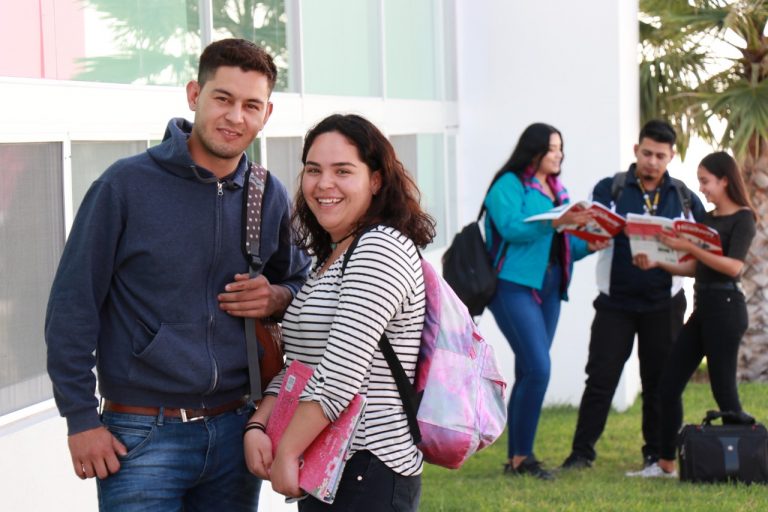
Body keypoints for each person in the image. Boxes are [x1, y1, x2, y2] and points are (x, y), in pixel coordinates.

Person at [44, 38, 310, 511]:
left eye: (251, 105)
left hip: (235, 429)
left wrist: (276, 296)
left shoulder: (266, 194)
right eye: (222, 99)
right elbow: (72, 306)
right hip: (142, 433)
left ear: (266, 115)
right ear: (194, 95)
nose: (235, 117)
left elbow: (302, 285)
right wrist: (81, 418)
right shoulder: (124, 186)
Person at [243, 114, 435, 510]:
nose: (323, 184)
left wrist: (286, 452)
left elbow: (339, 375)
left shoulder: (380, 248)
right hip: (327, 462)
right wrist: (259, 425)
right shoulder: (334, 256)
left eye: (342, 171)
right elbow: (302, 366)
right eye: (313, 170)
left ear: (376, 180)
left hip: (369, 468)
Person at [560, 119, 706, 473]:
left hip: (665, 303)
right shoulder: (610, 188)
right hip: (615, 303)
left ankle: (656, 453)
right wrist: (592, 237)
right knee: (601, 379)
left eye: (660, 155)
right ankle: (581, 454)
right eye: (646, 153)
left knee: (659, 381)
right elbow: (593, 234)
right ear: (635, 151)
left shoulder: (685, 196)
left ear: (671, 156)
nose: (652, 161)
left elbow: (705, 245)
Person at [483, 123, 603, 480]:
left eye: (561, 148)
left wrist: (591, 243)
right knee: (539, 367)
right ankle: (522, 458)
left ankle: (517, 460)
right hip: (512, 287)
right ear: (534, 150)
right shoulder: (508, 184)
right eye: (552, 148)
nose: (559, 154)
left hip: (551, 286)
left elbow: (563, 244)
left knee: (529, 370)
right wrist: (557, 223)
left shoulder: (557, 188)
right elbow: (511, 228)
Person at [630, 151, 756, 477]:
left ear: (724, 180)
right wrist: (658, 260)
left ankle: (742, 460)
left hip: (727, 310)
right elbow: (693, 267)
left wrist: (691, 247)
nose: (702, 189)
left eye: (705, 181)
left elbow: (733, 267)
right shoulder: (709, 220)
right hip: (703, 309)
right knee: (668, 385)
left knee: (723, 389)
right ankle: (666, 463)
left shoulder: (743, 218)